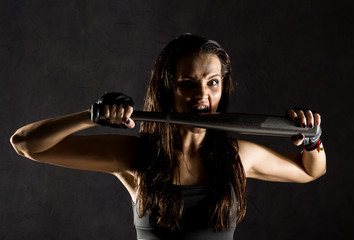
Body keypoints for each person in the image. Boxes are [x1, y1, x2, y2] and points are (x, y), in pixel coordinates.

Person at [10, 34, 326, 240]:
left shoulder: (237, 156)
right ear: (167, 90)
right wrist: (93, 116)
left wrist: (312, 139)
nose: (202, 95)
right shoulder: (134, 157)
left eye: (213, 83)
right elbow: (25, 144)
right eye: (188, 83)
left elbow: (311, 170)